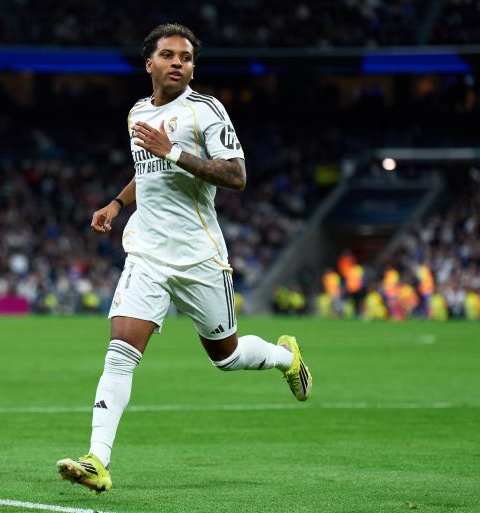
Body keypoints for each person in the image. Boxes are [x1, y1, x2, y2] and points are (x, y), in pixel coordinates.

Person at [56, 23, 312, 493]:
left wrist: (172, 149)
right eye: (169, 55)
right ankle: (97, 460)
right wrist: (117, 203)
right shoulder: (136, 112)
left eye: (187, 57)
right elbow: (146, 171)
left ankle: (284, 357)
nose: (179, 63)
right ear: (149, 63)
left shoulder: (205, 111)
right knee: (119, 355)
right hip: (147, 253)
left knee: (226, 356)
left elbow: (236, 176)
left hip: (198, 257)